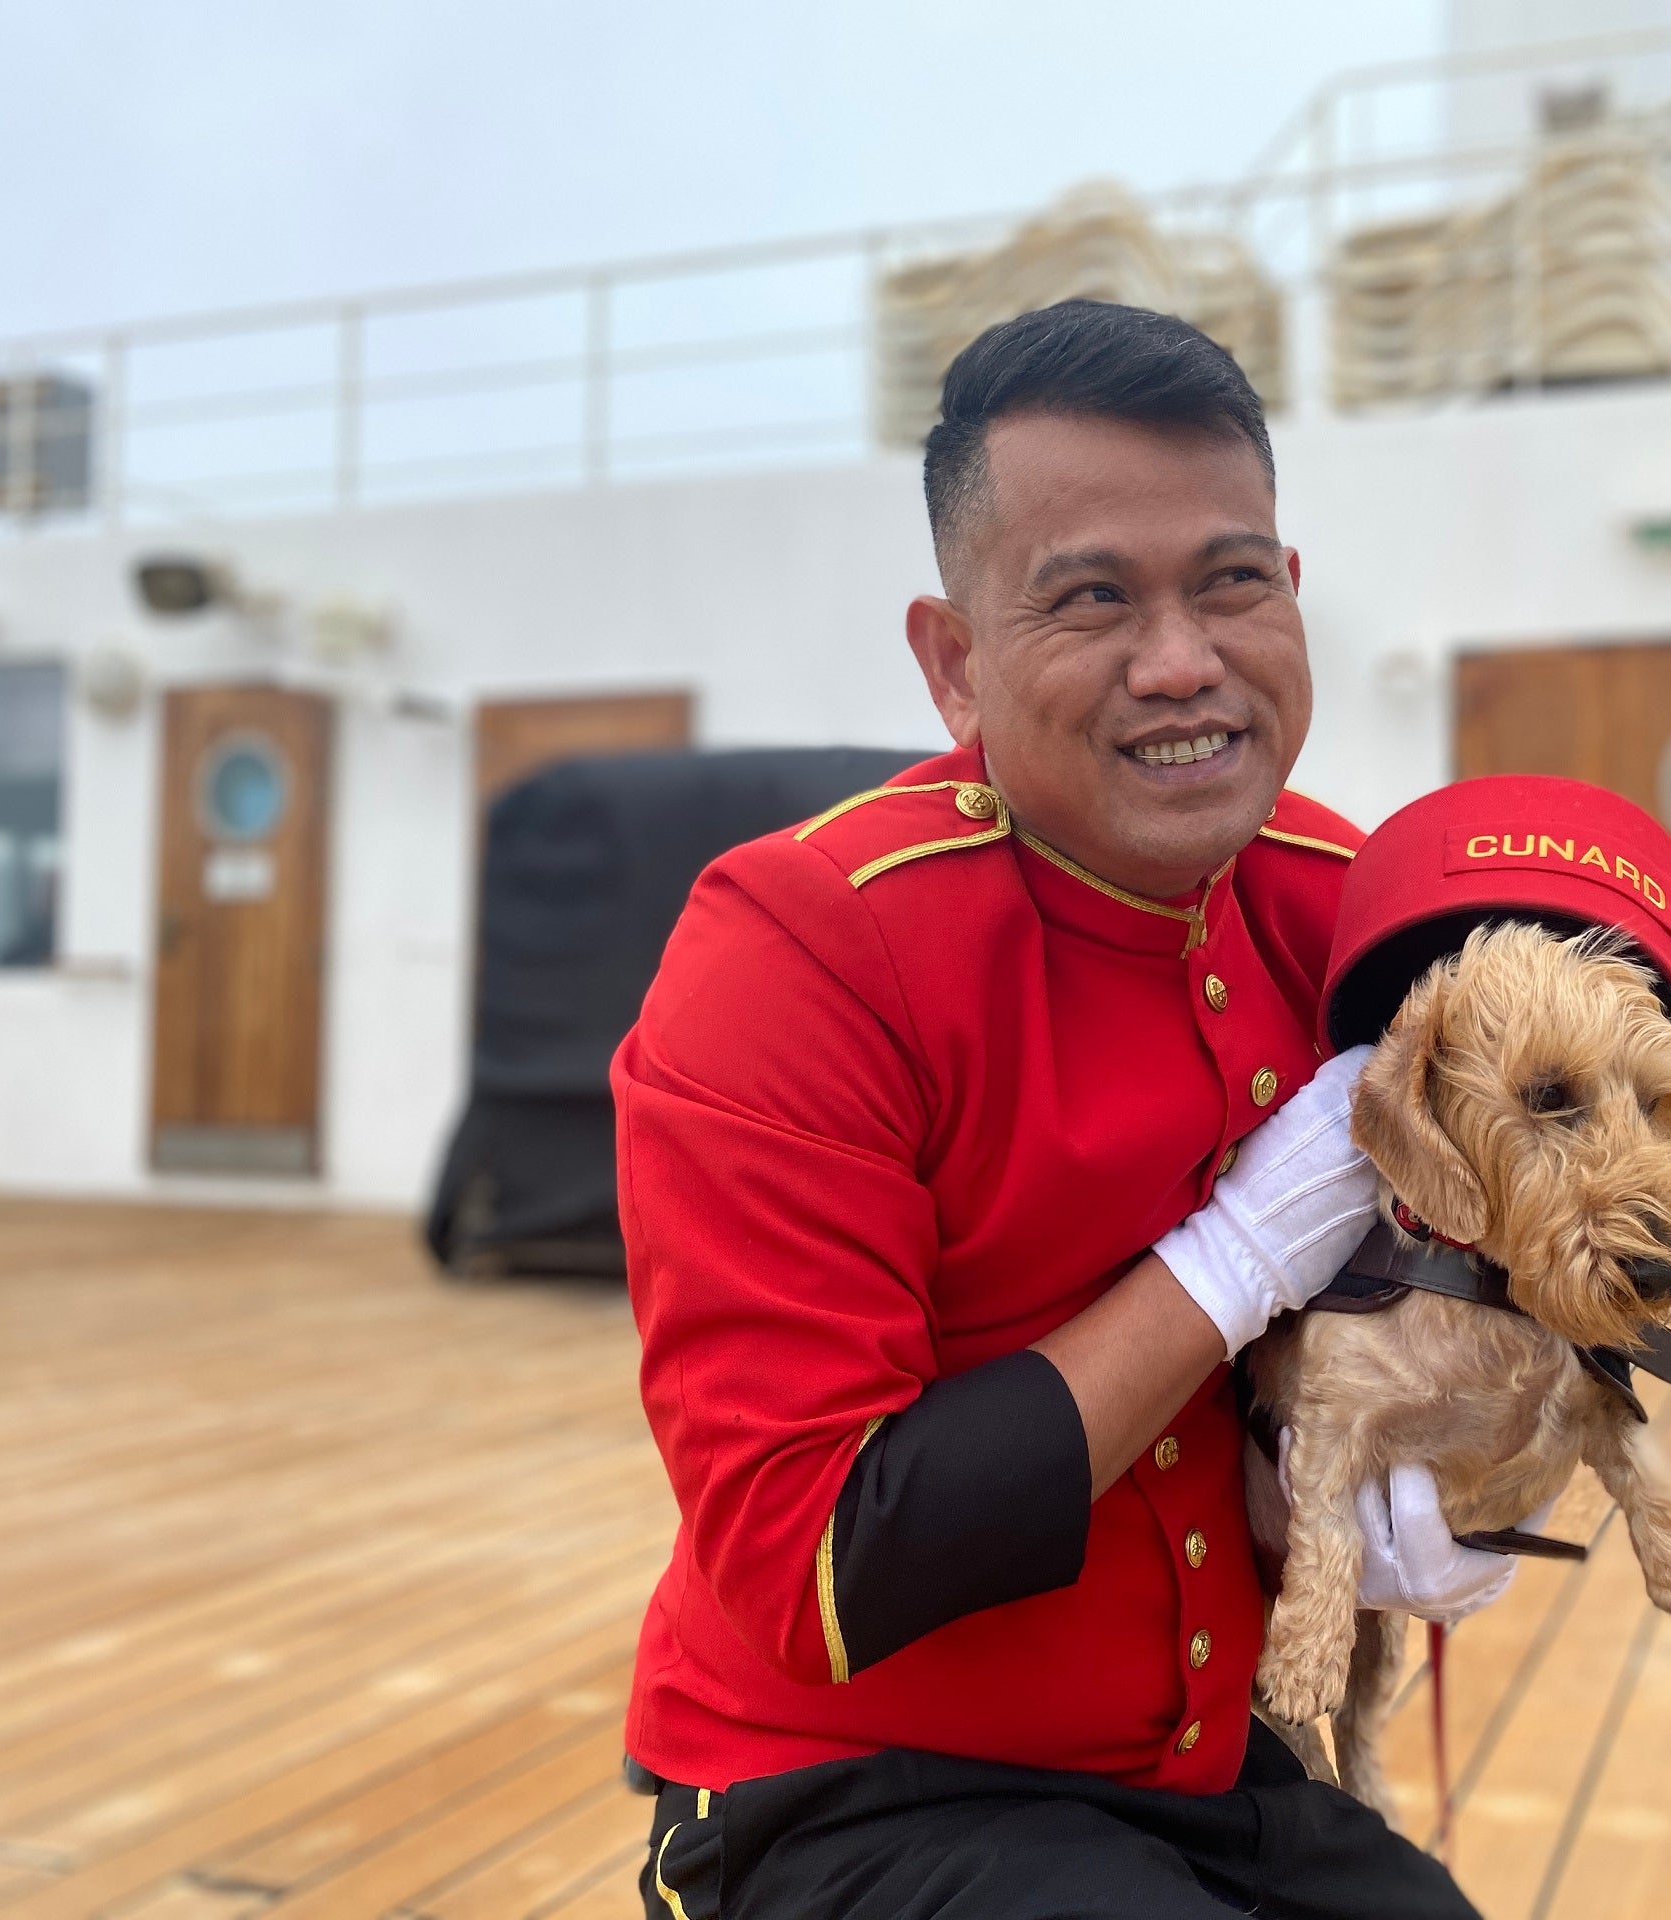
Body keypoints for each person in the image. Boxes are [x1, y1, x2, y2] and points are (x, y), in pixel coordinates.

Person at [618, 301, 1518, 1918]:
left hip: (1198, 1765)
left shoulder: (1350, 910)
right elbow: (818, 1562)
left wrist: (1468, 1474)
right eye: (1092, 597)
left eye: (1231, 581)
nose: (1181, 662)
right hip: (840, 1789)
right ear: (954, 664)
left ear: (1292, 596)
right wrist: (1235, 1260)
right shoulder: (802, 947)